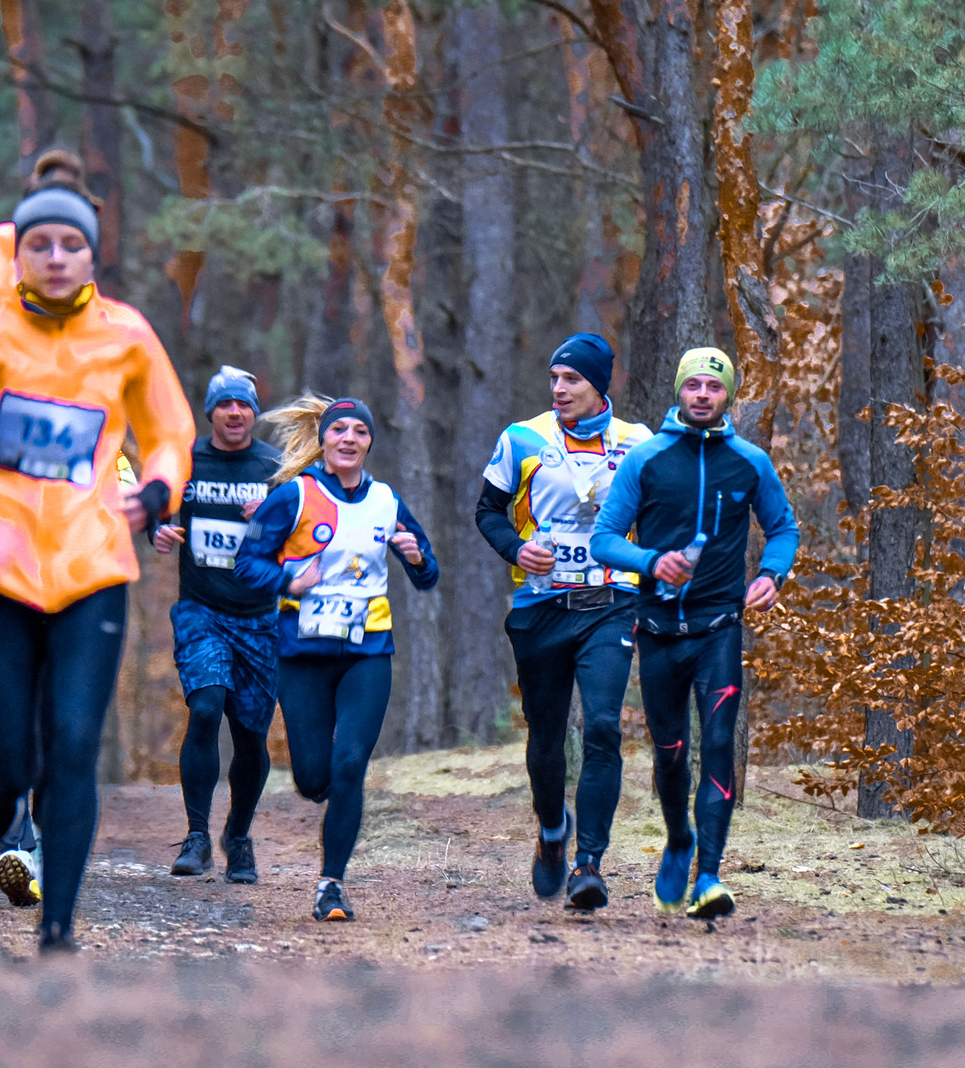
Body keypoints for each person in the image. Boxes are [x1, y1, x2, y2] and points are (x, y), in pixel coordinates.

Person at [0, 148, 193, 952]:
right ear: (18, 250)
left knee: (72, 743)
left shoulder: (126, 336)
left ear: (92, 252)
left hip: (89, 566)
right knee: (7, 759)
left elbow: (170, 432)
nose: (58, 257)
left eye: (73, 244)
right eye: (42, 245)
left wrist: (161, 489)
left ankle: (59, 924)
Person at [592, 347, 797, 922]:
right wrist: (653, 561)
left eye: (714, 386)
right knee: (670, 752)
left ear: (727, 395)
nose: (703, 395)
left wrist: (771, 575)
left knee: (719, 744)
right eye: (694, 385)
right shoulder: (647, 460)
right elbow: (604, 540)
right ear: (678, 391)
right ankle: (679, 840)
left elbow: (783, 527)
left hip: (718, 630)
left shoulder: (750, 461)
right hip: (658, 630)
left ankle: (709, 874)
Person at [232, 395, 438, 922]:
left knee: (350, 765)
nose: (349, 438)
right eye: (339, 429)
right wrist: (287, 579)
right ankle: (326, 797)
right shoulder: (294, 497)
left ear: (370, 442)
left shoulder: (386, 500)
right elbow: (245, 565)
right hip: (302, 655)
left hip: (367, 653)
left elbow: (427, 573)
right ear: (323, 440)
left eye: (360, 432)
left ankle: (331, 885)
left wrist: (417, 558)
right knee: (312, 778)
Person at [474, 333, 648, 911]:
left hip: (611, 604)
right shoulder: (522, 438)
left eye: (571, 379)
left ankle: (588, 864)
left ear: (600, 385)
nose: (558, 389)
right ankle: (553, 830)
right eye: (553, 378)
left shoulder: (638, 443)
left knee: (602, 727)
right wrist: (517, 551)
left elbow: (662, 509)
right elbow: (487, 510)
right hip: (541, 609)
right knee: (547, 739)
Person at [152, 365, 286, 883]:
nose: (235, 413)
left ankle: (240, 836)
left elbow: (306, 534)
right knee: (205, 708)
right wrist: (157, 533)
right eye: (225, 405)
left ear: (254, 412)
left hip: (259, 620)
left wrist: (273, 516)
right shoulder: (186, 461)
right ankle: (197, 836)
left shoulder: (277, 467)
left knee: (251, 735)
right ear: (210, 411)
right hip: (200, 610)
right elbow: (152, 506)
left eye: (244, 405)